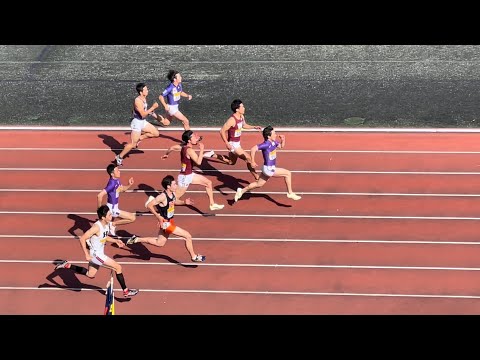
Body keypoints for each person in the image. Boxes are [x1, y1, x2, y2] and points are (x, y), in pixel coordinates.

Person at [54, 205, 139, 298]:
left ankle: (67, 265)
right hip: (95, 255)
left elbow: (105, 236)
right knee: (118, 267)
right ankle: (126, 291)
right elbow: (82, 238)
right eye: (109, 215)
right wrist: (86, 254)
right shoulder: (96, 227)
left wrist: (115, 241)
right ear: (103, 217)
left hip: (99, 253)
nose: (112, 216)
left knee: (90, 274)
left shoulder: (107, 224)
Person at [126, 175, 206, 262]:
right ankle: (194, 257)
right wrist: (158, 217)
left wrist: (184, 202)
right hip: (166, 224)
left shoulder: (172, 194)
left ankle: (136, 239)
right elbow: (149, 205)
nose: (176, 185)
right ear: (168, 186)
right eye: (174, 184)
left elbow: (174, 201)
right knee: (187, 236)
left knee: (159, 243)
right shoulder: (162, 196)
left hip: (169, 221)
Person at [234, 125, 302, 202]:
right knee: (288, 173)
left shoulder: (274, 142)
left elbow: (281, 146)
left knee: (259, 184)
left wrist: (283, 140)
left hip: (267, 168)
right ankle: (290, 193)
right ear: (269, 136)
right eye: (274, 133)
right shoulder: (266, 144)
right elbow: (253, 149)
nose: (276, 135)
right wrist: (252, 161)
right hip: (269, 169)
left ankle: (241, 191)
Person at [162, 130, 225, 211]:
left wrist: (166, 154)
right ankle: (158, 201)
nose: (196, 138)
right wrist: (202, 150)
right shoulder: (189, 150)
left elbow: (172, 148)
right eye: (194, 137)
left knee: (208, 183)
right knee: (174, 198)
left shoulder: (183, 146)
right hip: (184, 177)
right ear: (189, 140)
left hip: (189, 174)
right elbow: (198, 162)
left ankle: (212, 204)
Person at [204, 99, 262, 181]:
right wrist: (227, 143)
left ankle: (213, 155)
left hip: (237, 143)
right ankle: (256, 177)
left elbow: (244, 125)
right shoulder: (232, 120)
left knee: (231, 162)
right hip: (233, 144)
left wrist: (254, 127)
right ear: (237, 109)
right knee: (248, 158)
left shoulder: (241, 117)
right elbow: (222, 131)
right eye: (242, 106)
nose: (244, 108)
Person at [115, 82, 166, 166]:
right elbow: (142, 114)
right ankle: (119, 157)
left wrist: (151, 113)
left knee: (156, 133)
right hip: (137, 123)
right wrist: (152, 108)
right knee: (133, 144)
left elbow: (140, 111)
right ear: (141, 92)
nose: (147, 90)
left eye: (147, 89)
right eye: (145, 89)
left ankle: (140, 138)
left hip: (142, 121)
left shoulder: (144, 98)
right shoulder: (138, 101)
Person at [97, 163, 136, 236]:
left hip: (114, 207)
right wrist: (99, 209)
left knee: (102, 226)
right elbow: (99, 195)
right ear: (112, 174)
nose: (119, 171)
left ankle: (108, 226)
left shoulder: (117, 180)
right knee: (132, 218)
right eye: (117, 170)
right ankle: (113, 224)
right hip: (112, 209)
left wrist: (129, 185)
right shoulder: (111, 184)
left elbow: (122, 189)